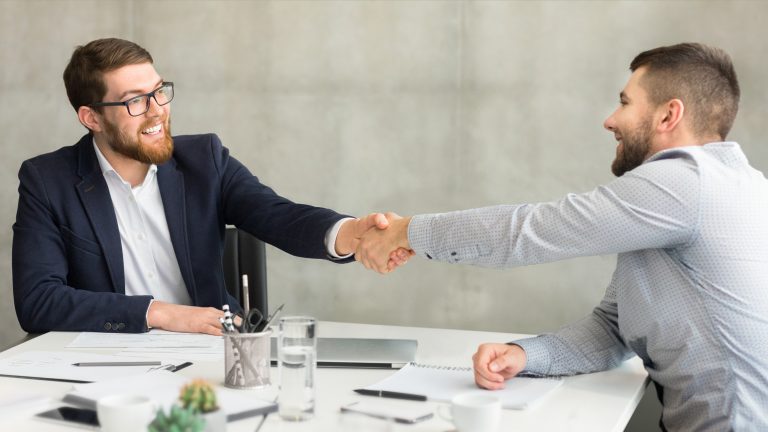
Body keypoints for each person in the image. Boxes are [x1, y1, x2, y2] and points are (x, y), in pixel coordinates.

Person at [356, 43, 768, 430]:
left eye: (625, 102)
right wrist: (524, 355)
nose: (610, 119)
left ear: (667, 116)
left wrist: (406, 232)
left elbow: (532, 230)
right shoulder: (731, 186)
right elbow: (614, 327)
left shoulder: (684, 183)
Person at [12, 38, 406, 336]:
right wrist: (161, 313)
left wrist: (350, 233)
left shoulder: (204, 160)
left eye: (158, 91)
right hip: (106, 360)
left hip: (210, 352)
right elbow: (38, 301)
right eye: (135, 101)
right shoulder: (48, 181)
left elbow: (278, 215)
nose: (157, 111)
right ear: (91, 118)